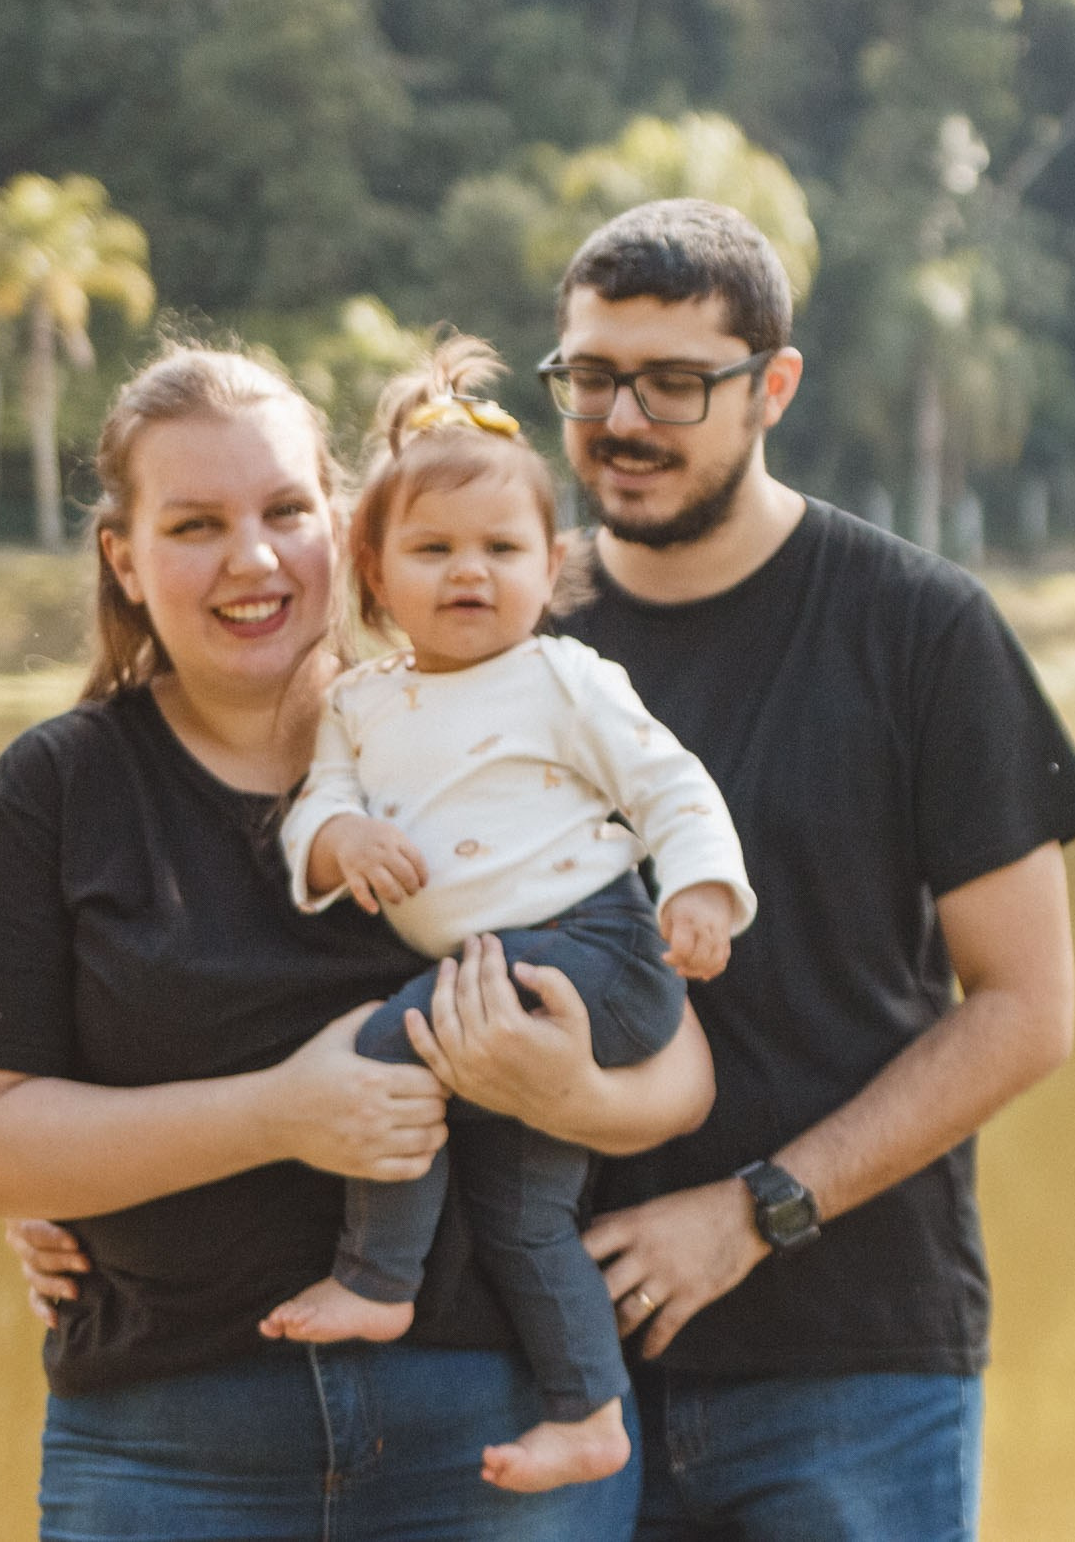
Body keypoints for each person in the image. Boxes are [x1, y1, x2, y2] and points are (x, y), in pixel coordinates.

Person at [11, 200, 1075, 1538]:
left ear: (774, 386)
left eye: (675, 381)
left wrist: (758, 1210)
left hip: (843, 1353)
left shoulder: (920, 628)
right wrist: (97, 1200)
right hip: (539, 1368)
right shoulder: (469, 617)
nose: (624, 416)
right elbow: (248, 941)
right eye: (591, 375)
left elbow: (1025, 1009)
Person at [0, 345, 714, 1541]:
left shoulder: (487, 719)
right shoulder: (57, 791)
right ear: (124, 558)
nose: (252, 558)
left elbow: (678, 1071)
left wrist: (569, 1093)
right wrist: (284, 1111)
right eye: (193, 524)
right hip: (169, 1446)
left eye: (286, 511)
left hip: (490, 1435)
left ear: (345, 532)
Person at [260, 336, 755, 1497]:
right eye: (431, 550)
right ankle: (588, 1415)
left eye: (500, 549)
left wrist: (697, 889)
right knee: (525, 1218)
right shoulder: (361, 703)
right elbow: (317, 808)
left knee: (398, 1041)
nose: (467, 573)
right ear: (372, 572)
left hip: (598, 953)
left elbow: (668, 784)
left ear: (552, 566)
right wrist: (341, 842)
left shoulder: (566, 678)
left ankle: (378, 1280)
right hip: (506, 976)